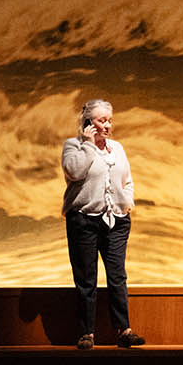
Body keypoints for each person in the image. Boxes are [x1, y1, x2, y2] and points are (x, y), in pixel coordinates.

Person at [61, 99, 144, 350]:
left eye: (110, 120)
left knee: (117, 276)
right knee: (86, 279)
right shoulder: (74, 146)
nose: (107, 125)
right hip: (84, 220)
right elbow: (74, 172)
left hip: (116, 221)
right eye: (101, 120)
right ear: (88, 122)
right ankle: (86, 333)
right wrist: (88, 145)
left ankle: (124, 330)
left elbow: (127, 180)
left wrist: (126, 202)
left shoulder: (117, 148)